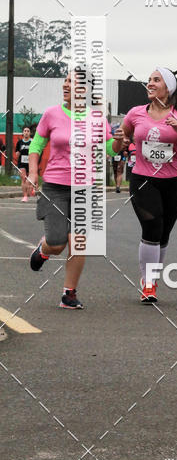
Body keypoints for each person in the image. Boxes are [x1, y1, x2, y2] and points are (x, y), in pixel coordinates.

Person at [112, 68, 177, 303]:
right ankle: (149, 283)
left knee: (163, 234)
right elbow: (115, 147)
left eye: (156, 80)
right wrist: (119, 139)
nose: (149, 84)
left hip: (172, 181)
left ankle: (151, 279)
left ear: (168, 88)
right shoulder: (135, 113)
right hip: (142, 179)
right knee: (152, 226)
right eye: (149, 80)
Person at [28, 72, 115, 309]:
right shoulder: (51, 114)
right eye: (65, 81)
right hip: (55, 185)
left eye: (72, 82)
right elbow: (36, 145)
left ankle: (69, 293)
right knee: (57, 243)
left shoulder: (97, 118)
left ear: (85, 90)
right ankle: (44, 249)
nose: (66, 84)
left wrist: (121, 142)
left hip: (84, 188)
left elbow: (111, 148)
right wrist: (34, 172)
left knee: (78, 241)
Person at [15, 126, 33, 202]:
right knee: (23, 179)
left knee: (30, 180)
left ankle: (31, 189)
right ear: (23, 133)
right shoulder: (19, 142)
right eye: (25, 131)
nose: (26, 132)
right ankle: (25, 196)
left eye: (28, 131)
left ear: (30, 133)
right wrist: (18, 153)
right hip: (22, 163)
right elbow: (16, 153)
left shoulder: (32, 142)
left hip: (30, 163)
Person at [110, 122, 125, 193]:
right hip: (114, 156)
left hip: (121, 157)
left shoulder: (123, 136)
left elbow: (126, 146)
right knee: (115, 172)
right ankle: (117, 186)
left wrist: (125, 152)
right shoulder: (112, 138)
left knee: (119, 171)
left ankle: (118, 187)